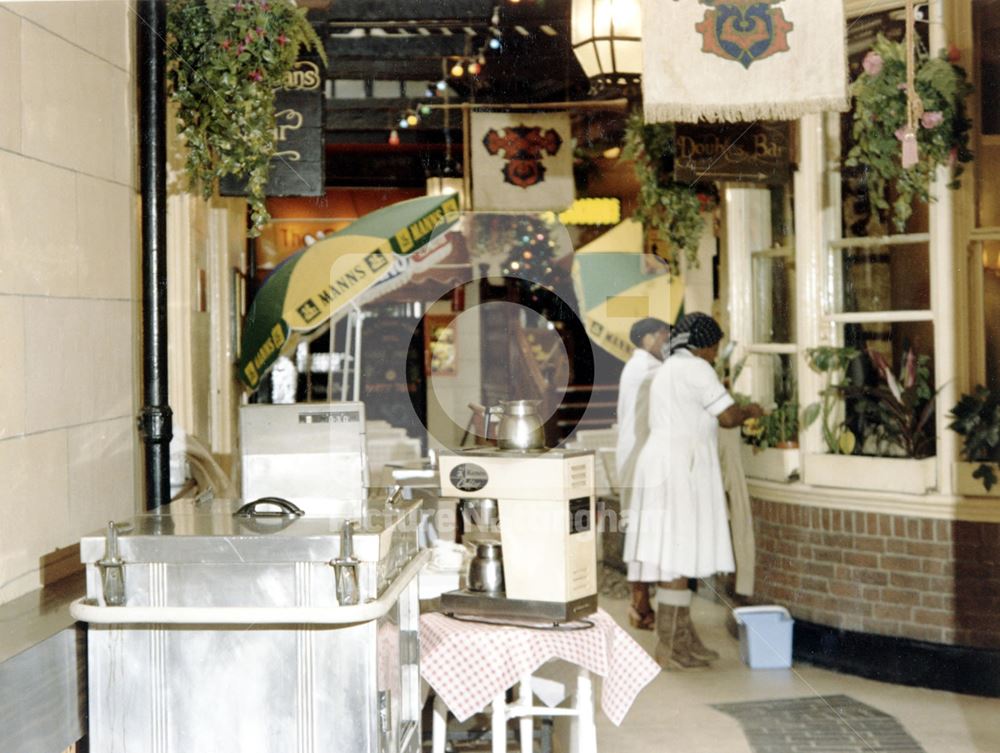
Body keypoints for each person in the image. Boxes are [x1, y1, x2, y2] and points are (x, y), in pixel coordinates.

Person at [624, 312, 763, 670]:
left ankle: (681, 638)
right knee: (677, 554)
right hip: (678, 468)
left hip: (667, 462)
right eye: (715, 346)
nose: (717, 354)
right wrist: (752, 409)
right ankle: (671, 646)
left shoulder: (671, 365)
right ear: (705, 344)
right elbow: (729, 416)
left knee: (677, 553)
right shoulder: (697, 369)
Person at [615, 317, 670, 630]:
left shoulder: (637, 366)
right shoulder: (650, 369)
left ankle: (640, 603)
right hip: (640, 458)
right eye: (665, 336)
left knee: (639, 531)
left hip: (634, 455)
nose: (668, 343)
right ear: (648, 339)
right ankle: (640, 605)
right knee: (642, 533)